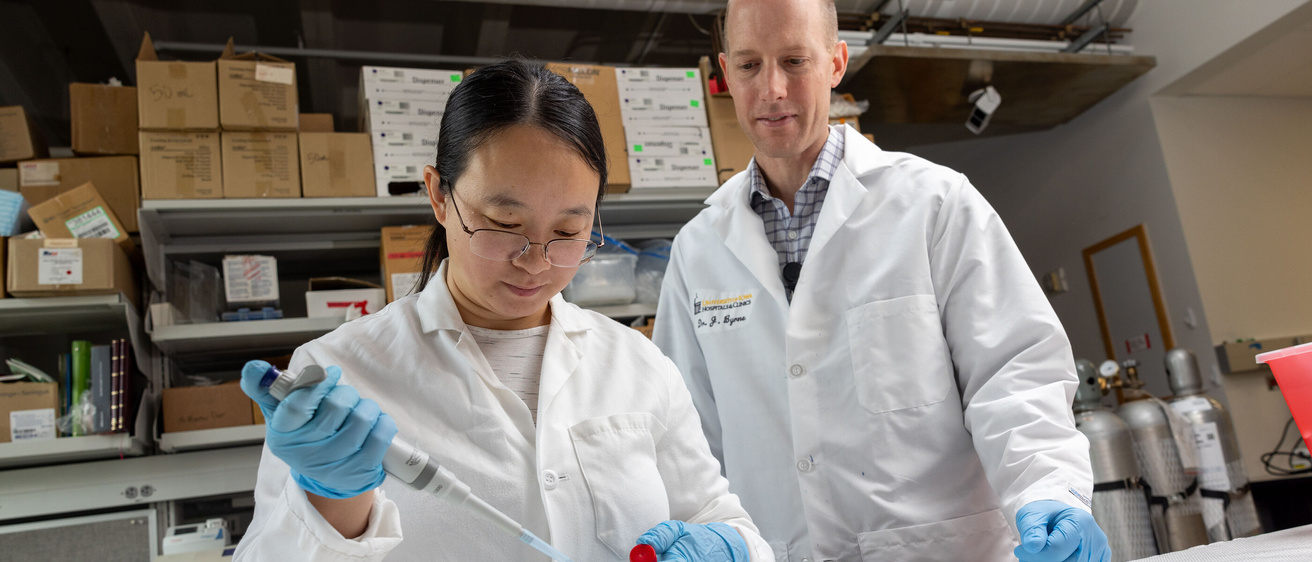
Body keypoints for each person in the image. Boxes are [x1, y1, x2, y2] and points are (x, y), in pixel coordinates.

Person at [234, 59, 773, 562]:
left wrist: (730, 547)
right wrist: (333, 505)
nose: (535, 262)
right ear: (439, 196)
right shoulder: (339, 373)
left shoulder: (638, 363)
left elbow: (721, 516)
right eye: (504, 225)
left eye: (568, 233)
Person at [652, 1, 1110, 561]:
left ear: (837, 63)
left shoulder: (934, 203)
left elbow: (1013, 375)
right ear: (725, 73)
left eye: (795, 61)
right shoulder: (698, 251)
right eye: (749, 66)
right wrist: (705, 527)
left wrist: (1046, 489)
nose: (771, 89)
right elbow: (685, 433)